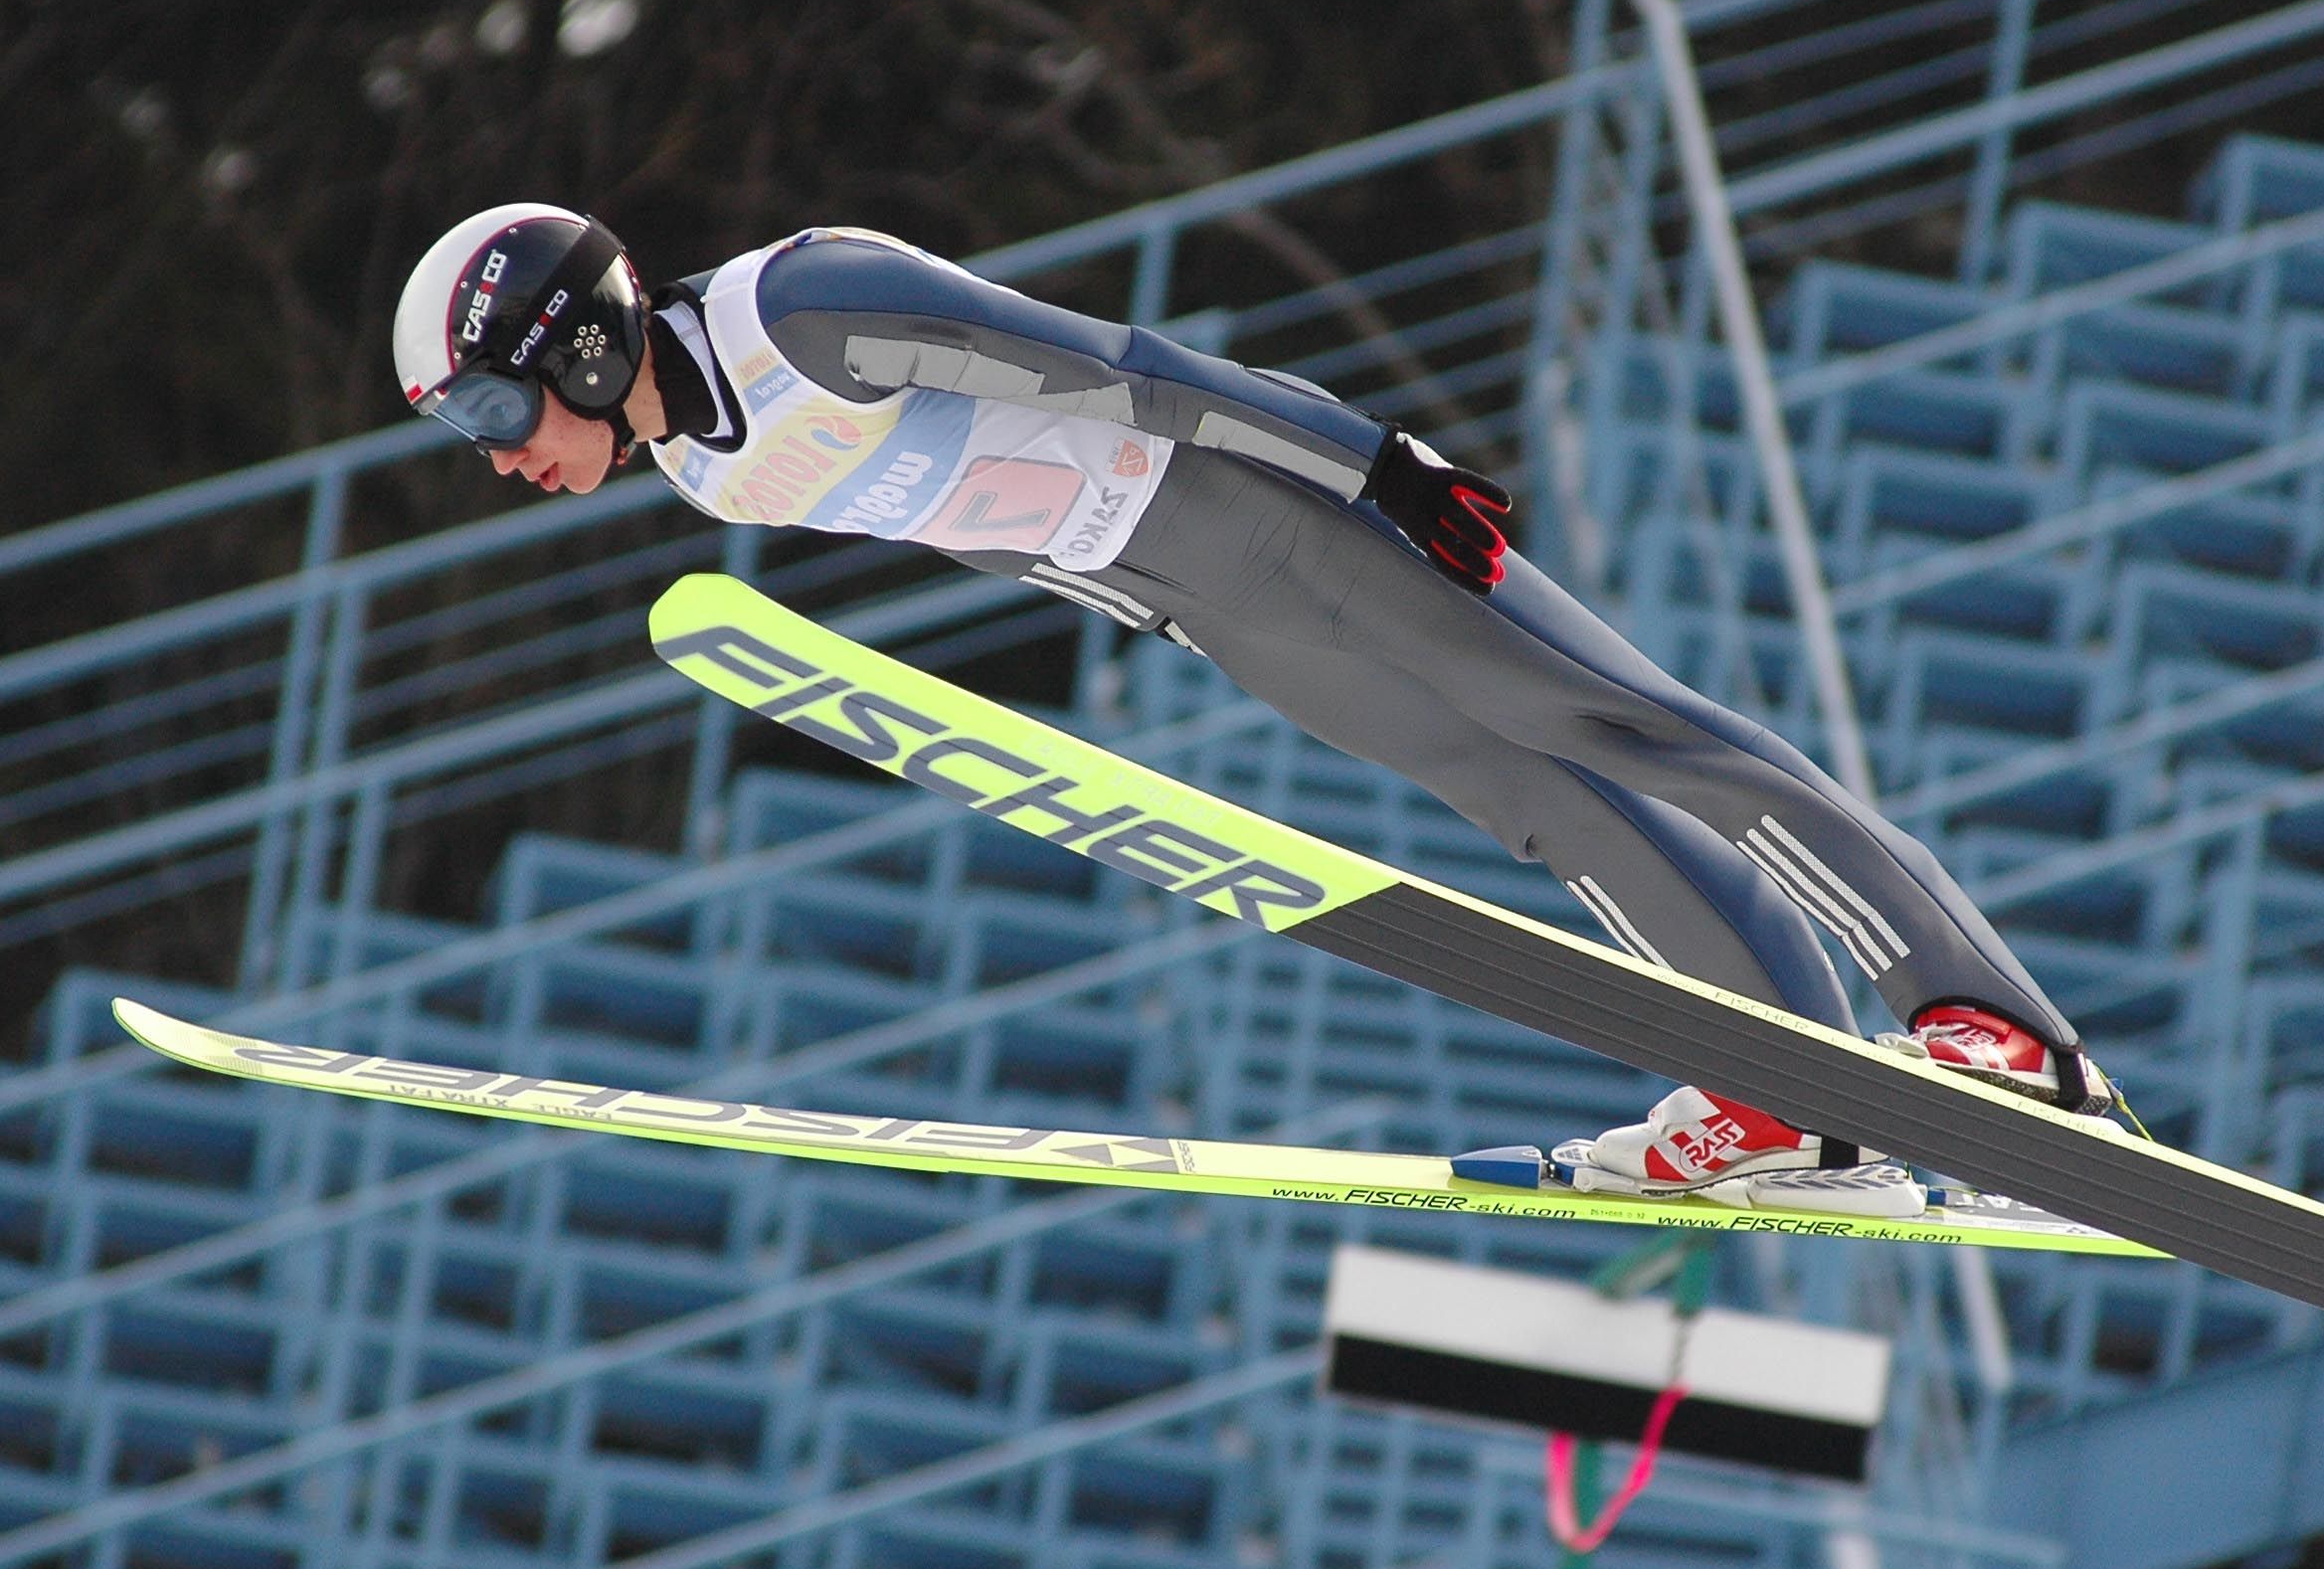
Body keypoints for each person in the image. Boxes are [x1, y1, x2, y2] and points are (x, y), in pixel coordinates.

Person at [391, 204, 2112, 1199]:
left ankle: (2001, 1035)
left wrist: (1373, 465)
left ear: (582, 342)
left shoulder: (805, 313)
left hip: (1268, 511)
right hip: (1197, 591)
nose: (505, 459)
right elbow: (988, 512)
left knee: (1621, 727)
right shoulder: (704, 470)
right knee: (1535, 802)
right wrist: (1160, 610)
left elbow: (1118, 371)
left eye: (497, 416)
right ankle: (1792, 1099)